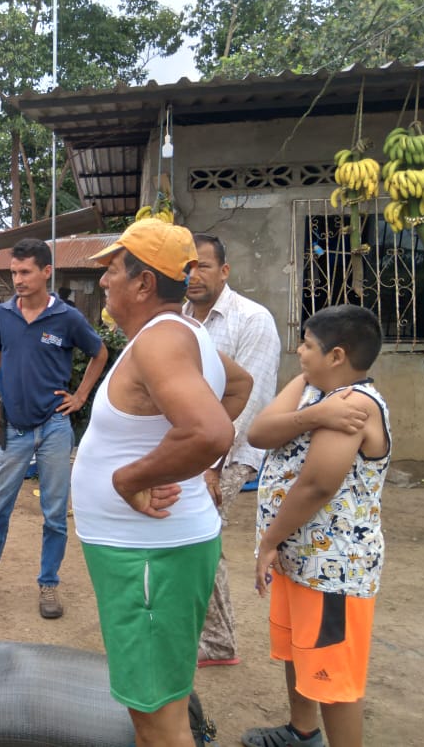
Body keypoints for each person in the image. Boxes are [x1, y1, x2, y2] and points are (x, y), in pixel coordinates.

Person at [70, 218, 253, 747]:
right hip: (148, 553)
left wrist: (130, 477)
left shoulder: (162, 341)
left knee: (159, 723)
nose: (104, 279)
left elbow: (210, 430)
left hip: (150, 557)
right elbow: (237, 387)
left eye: (113, 269)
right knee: (153, 707)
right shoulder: (182, 334)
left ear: (144, 283)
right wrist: (177, 460)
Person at [242, 304, 389, 747]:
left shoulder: (355, 404)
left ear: (336, 355)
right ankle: (301, 732)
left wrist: (269, 542)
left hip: (333, 570)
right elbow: (259, 433)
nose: (300, 352)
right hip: (301, 561)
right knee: (300, 651)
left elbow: (317, 485)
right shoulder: (312, 389)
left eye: (307, 345)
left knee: (333, 678)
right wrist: (313, 416)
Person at [0, 237, 108, 619]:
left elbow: (100, 353)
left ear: (46, 272)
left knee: (54, 512)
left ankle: (48, 584)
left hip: (54, 425)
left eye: (25, 272)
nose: (18, 279)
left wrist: (80, 397)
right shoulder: (3, 316)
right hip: (15, 428)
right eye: (14, 272)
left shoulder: (67, 318)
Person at [183, 232, 281, 667]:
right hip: (191, 448)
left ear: (224, 271)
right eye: (187, 267)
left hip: (230, 453)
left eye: (203, 266)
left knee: (198, 537)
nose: (193, 275)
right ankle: (215, 638)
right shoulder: (182, 319)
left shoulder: (252, 320)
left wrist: (211, 466)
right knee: (200, 539)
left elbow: (249, 404)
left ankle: (218, 642)